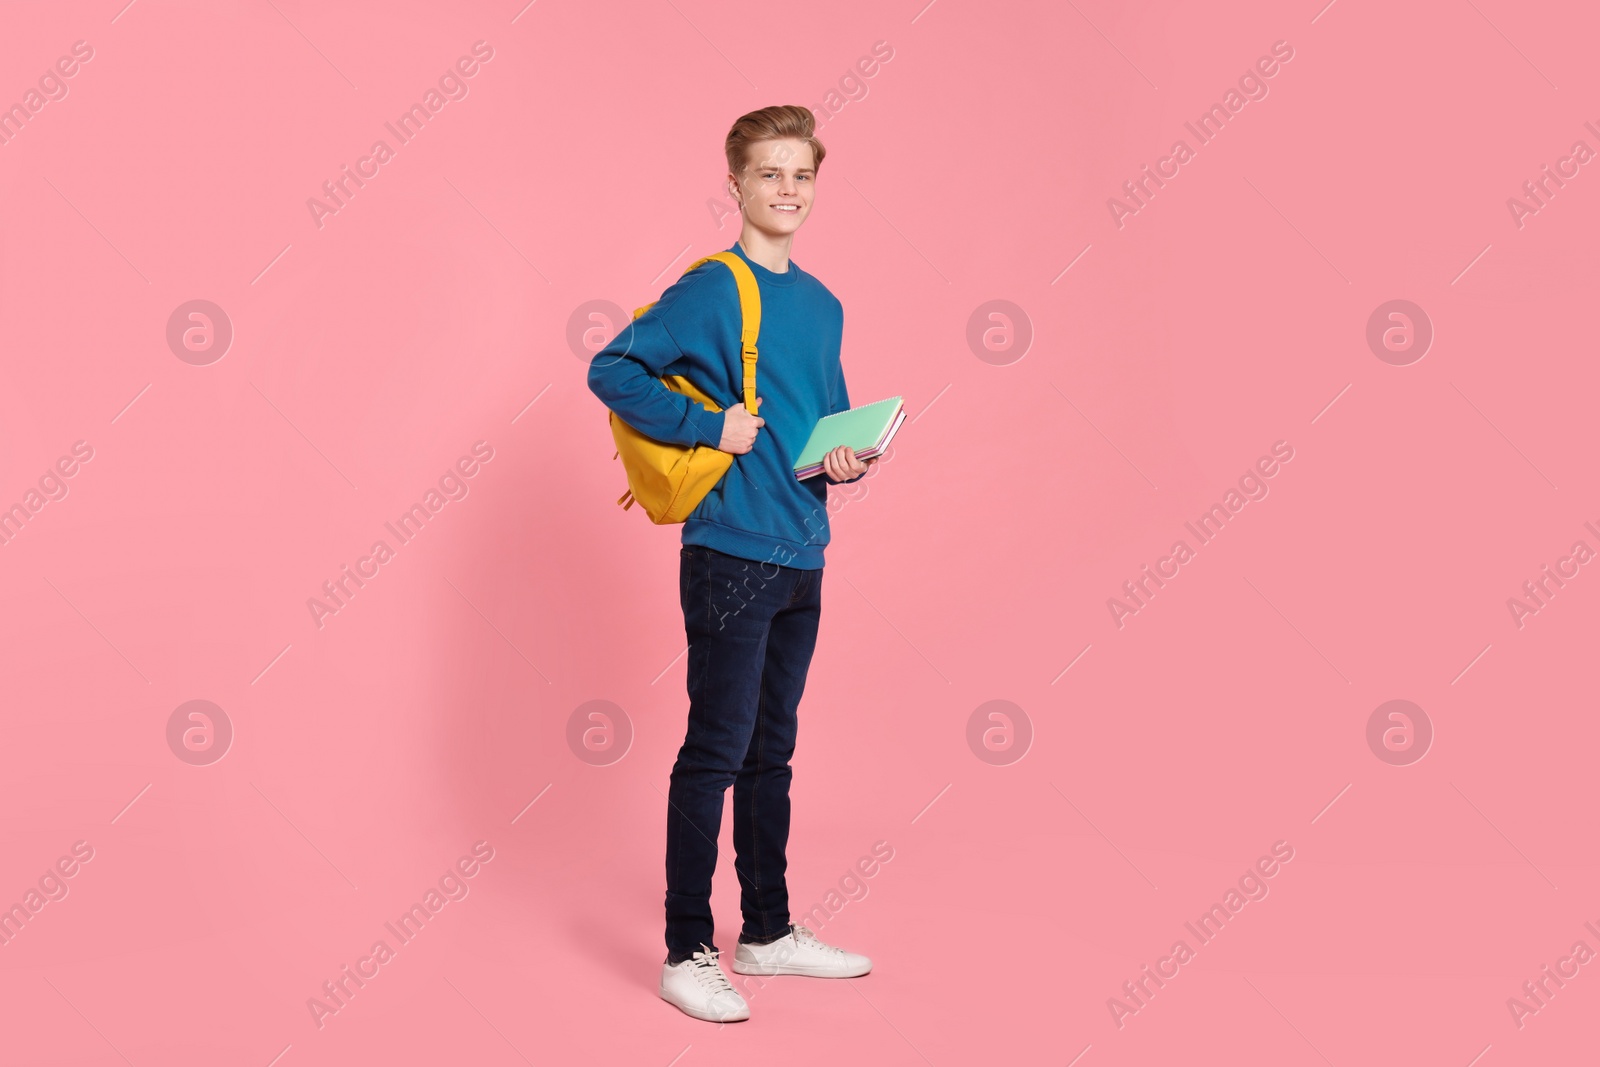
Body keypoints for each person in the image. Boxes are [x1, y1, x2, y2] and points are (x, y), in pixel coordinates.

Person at [587, 104, 877, 1023]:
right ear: (737, 187)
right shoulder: (715, 288)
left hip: (802, 548)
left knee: (772, 750)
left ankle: (769, 932)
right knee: (714, 749)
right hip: (728, 552)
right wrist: (711, 425)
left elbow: (817, 424)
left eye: (801, 174)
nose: (788, 190)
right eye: (770, 175)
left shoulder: (825, 303)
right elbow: (613, 367)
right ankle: (686, 948)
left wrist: (848, 457)